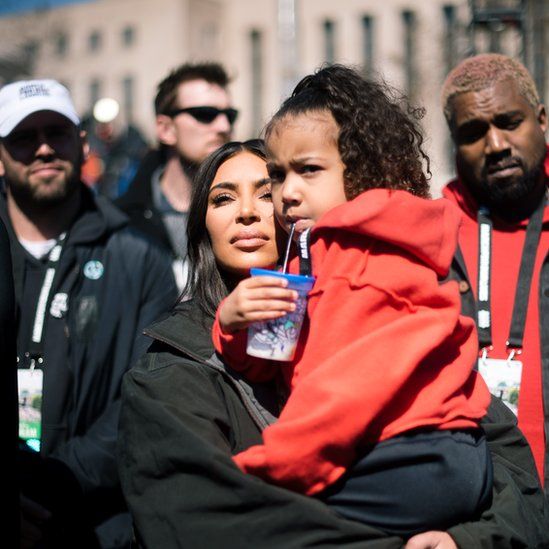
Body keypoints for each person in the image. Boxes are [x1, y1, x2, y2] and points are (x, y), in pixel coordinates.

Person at [118, 141, 549, 548]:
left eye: (266, 193)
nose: (247, 212)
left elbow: (514, 475)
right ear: (201, 226)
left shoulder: (388, 314)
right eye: (223, 198)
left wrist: (464, 541)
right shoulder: (169, 369)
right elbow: (197, 521)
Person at [213, 64, 494, 538]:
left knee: (252, 524)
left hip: (415, 456)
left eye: (309, 170)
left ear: (361, 170)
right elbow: (273, 360)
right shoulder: (313, 257)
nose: (288, 193)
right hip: (427, 457)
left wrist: (266, 470)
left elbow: (342, 392)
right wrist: (234, 324)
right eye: (277, 175)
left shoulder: (357, 257)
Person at [0, 79, 178, 548]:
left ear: (81, 144)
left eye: (56, 133)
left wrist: (56, 482)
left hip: (101, 524)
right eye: (23, 137)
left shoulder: (141, 260)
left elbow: (146, 396)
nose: (42, 149)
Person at [441, 53, 549, 497]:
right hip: (480, 512)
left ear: (541, 120)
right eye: (473, 133)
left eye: (509, 122)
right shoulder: (429, 238)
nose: (496, 144)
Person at [116, 62, 237, 291]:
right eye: (205, 115)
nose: (223, 126)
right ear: (165, 129)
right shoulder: (120, 223)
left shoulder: (253, 214)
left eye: (230, 115)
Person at [81, 97, 148, 199]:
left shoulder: (136, 150)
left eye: (108, 124)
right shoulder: (92, 151)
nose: (105, 129)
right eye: (101, 125)